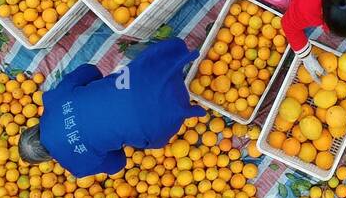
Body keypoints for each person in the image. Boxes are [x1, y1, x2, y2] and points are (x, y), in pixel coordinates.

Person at [17, 37, 205, 179]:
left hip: (156, 122)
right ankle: (182, 62)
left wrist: (106, 137)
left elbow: (118, 164)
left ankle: (185, 104)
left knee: (152, 129)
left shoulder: (77, 166)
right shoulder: (52, 99)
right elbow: (89, 71)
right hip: (140, 78)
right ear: (34, 127)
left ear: (47, 159)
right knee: (137, 73)